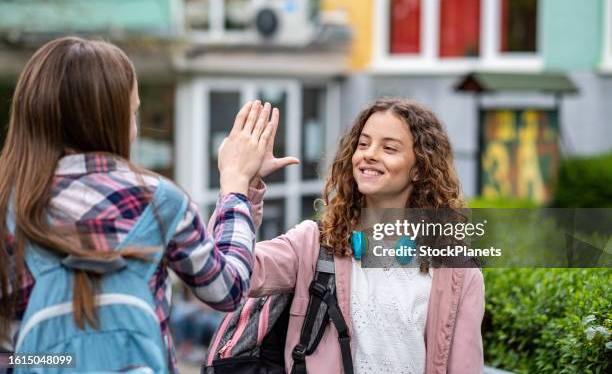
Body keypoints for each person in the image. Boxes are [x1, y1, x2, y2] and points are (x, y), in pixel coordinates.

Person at [0, 36, 293, 373]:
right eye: (132, 112)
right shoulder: (157, 201)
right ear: (110, 120)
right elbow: (227, 289)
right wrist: (236, 184)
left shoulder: (9, 206)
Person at [245, 99, 485, 373]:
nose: (369, 154)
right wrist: (244, 184)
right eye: (363, 144)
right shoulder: (313, 245)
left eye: (389, 148)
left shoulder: (458, 273)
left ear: (419, 169)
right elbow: (240, 272)